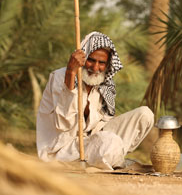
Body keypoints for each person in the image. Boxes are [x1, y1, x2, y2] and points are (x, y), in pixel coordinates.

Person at [36, 31, 154, 170]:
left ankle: (111, 155)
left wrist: (103, 137)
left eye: (102, 63)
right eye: (91, 60)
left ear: (108, 64)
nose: (95, 68)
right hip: (62, 149)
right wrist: (71, 74)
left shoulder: (103, 83)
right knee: (111, 142)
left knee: (145, 114)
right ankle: (110, 156)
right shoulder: (60, 77)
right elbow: (63, 124)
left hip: (94, 140)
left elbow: (104, 122)